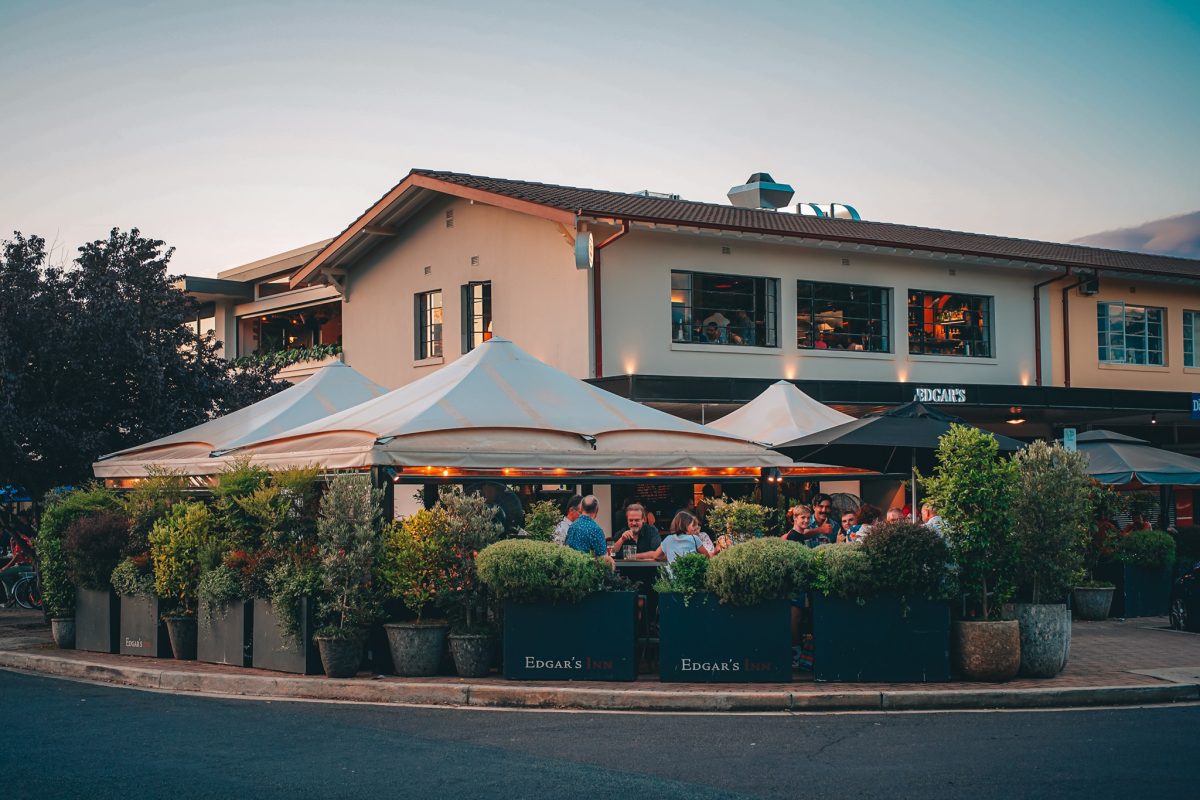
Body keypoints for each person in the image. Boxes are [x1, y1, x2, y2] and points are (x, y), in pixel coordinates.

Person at [631, 511, 713, 572]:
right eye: (693, 525)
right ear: (684, 525)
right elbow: (707, 557)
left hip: (673, 581)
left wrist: (670, 555)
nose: (696, 528)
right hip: (691, 579)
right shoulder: (695, 539)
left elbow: (656, 556)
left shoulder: (668, 539)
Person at [565, 495, 614, 568]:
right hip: (587, 573)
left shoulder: (572, 526)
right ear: (597, 510)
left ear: (581, 508)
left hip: (571, 571)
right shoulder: (596, 530)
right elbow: (604, 559)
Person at [0, 529, 34, 606]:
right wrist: (12, 545)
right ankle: (13, 593)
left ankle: (12, 596)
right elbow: (15, 555)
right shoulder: (19, 539)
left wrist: (5, 567)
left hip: (25, 566)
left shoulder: (21, 540)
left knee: (2, 574)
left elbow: (16, 557)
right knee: (4, 575)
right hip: (22, 565)